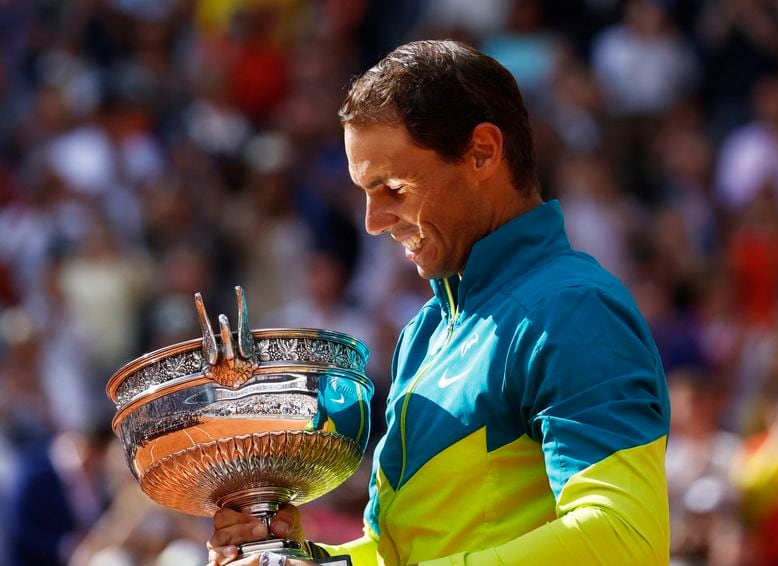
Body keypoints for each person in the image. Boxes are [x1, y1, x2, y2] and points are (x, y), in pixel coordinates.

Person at [207, 39, 670, 566]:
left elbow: (625, 539)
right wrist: (298, 559)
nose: (372, 222)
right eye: (364, 191)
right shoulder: (424, 333)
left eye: (393, 188)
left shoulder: (573, 308)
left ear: (483, 152)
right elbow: (401, 554)